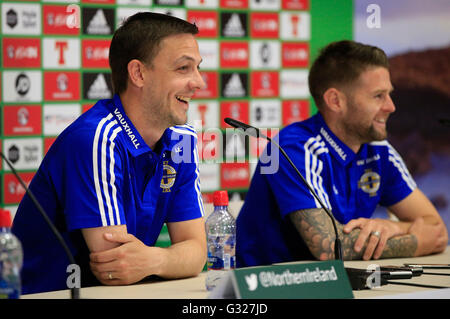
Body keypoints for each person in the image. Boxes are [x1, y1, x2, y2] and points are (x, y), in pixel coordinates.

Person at [12, 12, 207, 294]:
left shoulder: (182, 140)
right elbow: (116, 270)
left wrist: (155, 259)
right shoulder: (95, 139)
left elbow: (197, 252)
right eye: (183, 69)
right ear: (138, 73)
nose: (198, 82)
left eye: (198, 68)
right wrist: (170, 259)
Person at [236, 40, 448, 267]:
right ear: (335, 101)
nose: (391, 106)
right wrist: (415, 242)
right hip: (268, 288)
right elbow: (330, 247)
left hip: (339, 282)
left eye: (389, 94)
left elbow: (435, 229)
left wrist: (394, 227)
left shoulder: (379, 151)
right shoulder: (293, 148)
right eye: (378, 96)